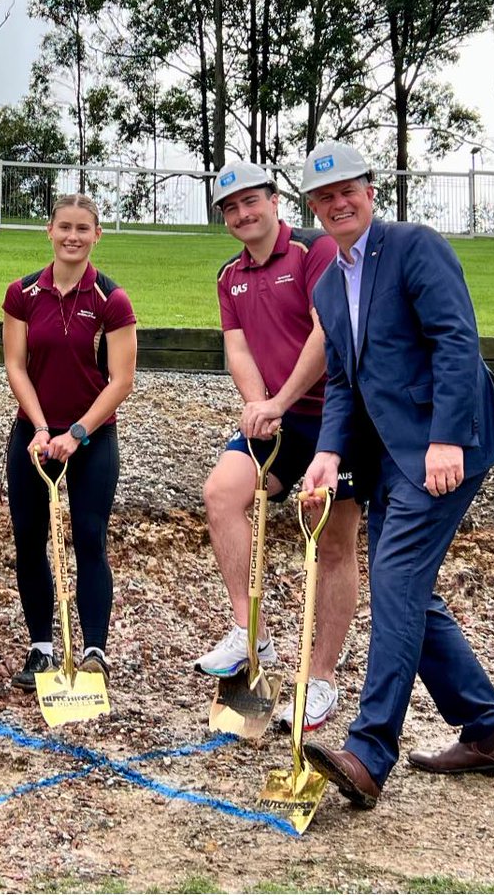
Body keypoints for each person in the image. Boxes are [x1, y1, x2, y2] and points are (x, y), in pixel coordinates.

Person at [298, 141, 494, 809]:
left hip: (443, 449)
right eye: (326, 196)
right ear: (314, 206)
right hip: (387, 459)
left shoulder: (416, 246)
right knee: (411, 597)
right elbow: (342, 380)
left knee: (396, 583)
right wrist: (328, 453)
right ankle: (488, 730)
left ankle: (368, 753)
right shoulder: (326, 285)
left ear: (371, 191)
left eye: (351, 191)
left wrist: (448, 437)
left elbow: (457, 340)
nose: (340, 203)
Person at [193, 160, 362, 733]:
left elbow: (324, 332)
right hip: (275, 415)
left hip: (335, 417)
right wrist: (256, 403)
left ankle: (319, 681)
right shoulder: (228, 276)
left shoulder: (312, 252)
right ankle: (252, 632)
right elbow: (237, 349)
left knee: (334, 544)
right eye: (231, 209)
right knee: (222, 494)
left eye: (252, 202)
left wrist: (280, 400)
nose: (243, 215)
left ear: (273, 200)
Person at [1, 193, 137, 689]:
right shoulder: (22, 293)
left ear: (97, 234)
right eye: (64, 227)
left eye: (83, 228)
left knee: (89, 538)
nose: (73, 236)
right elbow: (15, 364)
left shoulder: (111, 300)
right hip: (33, 438)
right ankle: (40, 648)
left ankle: (94, 652)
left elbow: (121, 381)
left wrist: (77, 432)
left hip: (91, 440)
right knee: (30, 541)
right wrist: (40, 428)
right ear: (50, 230)